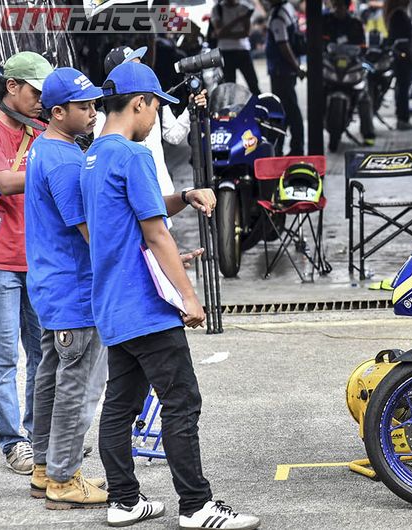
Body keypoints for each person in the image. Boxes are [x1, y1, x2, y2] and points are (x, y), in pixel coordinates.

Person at [83, 61, 259, 529]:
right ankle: (197, 506)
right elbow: (156, 233)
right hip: (146, 305)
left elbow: (143, 209)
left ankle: (123, 500)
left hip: (113, 304)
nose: (157, 116)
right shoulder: (134, 155)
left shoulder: (93, 159)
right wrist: (189, 297)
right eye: (157, 106)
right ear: (140, 102)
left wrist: (184, 194)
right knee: (181, 401)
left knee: (119, 405)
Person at [24, 67, 110, 509]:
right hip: (74, 289)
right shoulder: (66, 160)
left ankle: (45, 469)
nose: (93, 112)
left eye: (95, 104)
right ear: (58, 113)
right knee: (76, 385)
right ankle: (62, 479)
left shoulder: (44, 148)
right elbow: (89, 230)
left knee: (51, 379)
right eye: (84, 106)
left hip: (51, 286)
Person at [0, 51, 52, 477]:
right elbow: (2, 180)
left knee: (42, 353)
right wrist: (55, 168)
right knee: (3, 357)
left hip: (39, 259)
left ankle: (39, 438)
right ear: (12, 86)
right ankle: (14, 442)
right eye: (35, 91)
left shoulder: (45, 130)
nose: (41, 101)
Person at [95, 47, 209, 201]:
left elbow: (173, 136)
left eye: (140, 63)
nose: (141, 69)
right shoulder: (103, 119)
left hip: (163, 194)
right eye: (133, 66)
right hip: (133, 200)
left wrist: (191, 109)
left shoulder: (156, 98)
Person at [323, 0, 376, 146]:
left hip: (351, 65)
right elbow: (319, 43)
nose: (339, 8)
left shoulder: (355, 24)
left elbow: (363, 47)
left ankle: (368, 133)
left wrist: (362, 55)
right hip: (331, 65)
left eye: (342, 6)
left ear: (347, 7)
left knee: (364, 96)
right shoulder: (326, 21)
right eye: (336, 5)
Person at [266, 0, 306, 155]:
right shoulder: (287, 8)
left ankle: (295, 149)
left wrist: (296, 67)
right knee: (287, 111)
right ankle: (282, 147)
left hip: (280, 72)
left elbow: (283, 45)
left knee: (285, 112)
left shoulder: (278, 16)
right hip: (285, 71)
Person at [211, 0, 262, 96]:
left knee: (253, 84)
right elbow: (219, 33)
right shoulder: (217, 9)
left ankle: (258, 108)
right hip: (225, 52)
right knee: (230, 87)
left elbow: (246, 33)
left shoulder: (245, 8)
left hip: (243, 50)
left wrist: (225, 34)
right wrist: (239, 20)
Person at [384, 0, 412, 131]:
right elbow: (403, 38)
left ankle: (403, 118)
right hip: (403, 56)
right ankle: (402, 118)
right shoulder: (398, 15)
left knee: (402, 87)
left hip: (401, 56)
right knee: (403, 88)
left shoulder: (395, 14)